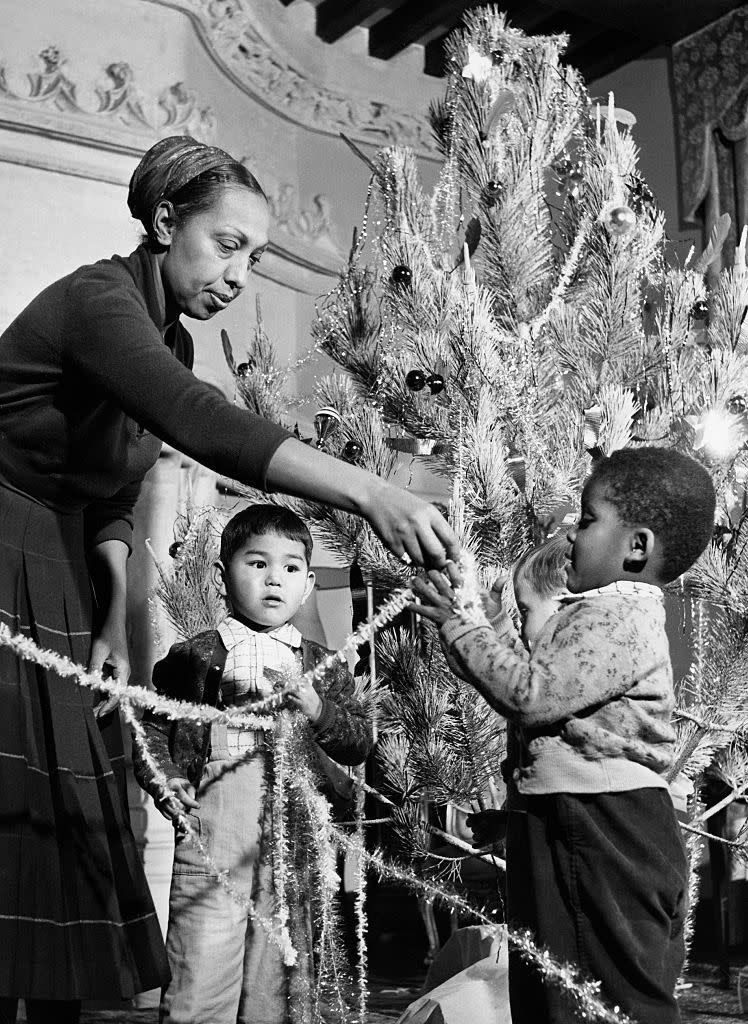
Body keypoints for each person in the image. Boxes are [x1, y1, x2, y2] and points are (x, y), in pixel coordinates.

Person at [0, 135, 457, 1024]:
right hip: (0, 537)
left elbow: (113, 489)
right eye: (228, 244)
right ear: (167, 223)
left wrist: (110, 604)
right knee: (17, 801)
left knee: (70, 822)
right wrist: (369, 492)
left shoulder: (167, 334)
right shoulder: (102, 304)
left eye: (255, 255)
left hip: (56, 557)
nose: (240, 272)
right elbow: (201, 425)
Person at [411, 447, 716, 1024]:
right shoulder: (597, 615)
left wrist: (459, 625)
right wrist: (478, 617)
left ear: (637, 546)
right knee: (554, 984)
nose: (572, 534)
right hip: (577, 815)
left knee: (594, 994)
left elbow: (531, 694)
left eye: (587, 518)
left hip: (601, 819)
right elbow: (538, 678)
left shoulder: (618, 619)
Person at [133, 504, 373, 1024]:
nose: (273, 580)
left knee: (278, 983)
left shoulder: (321, 664)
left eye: (289, 568)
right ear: (222, 576)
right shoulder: (195, 656)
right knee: (202, 965)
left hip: (291, 840)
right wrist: (168, 778)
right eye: (256, 563)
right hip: (214, 831)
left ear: (307, 584)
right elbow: (152, 729)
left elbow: (359, 741)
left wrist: (318, 710)